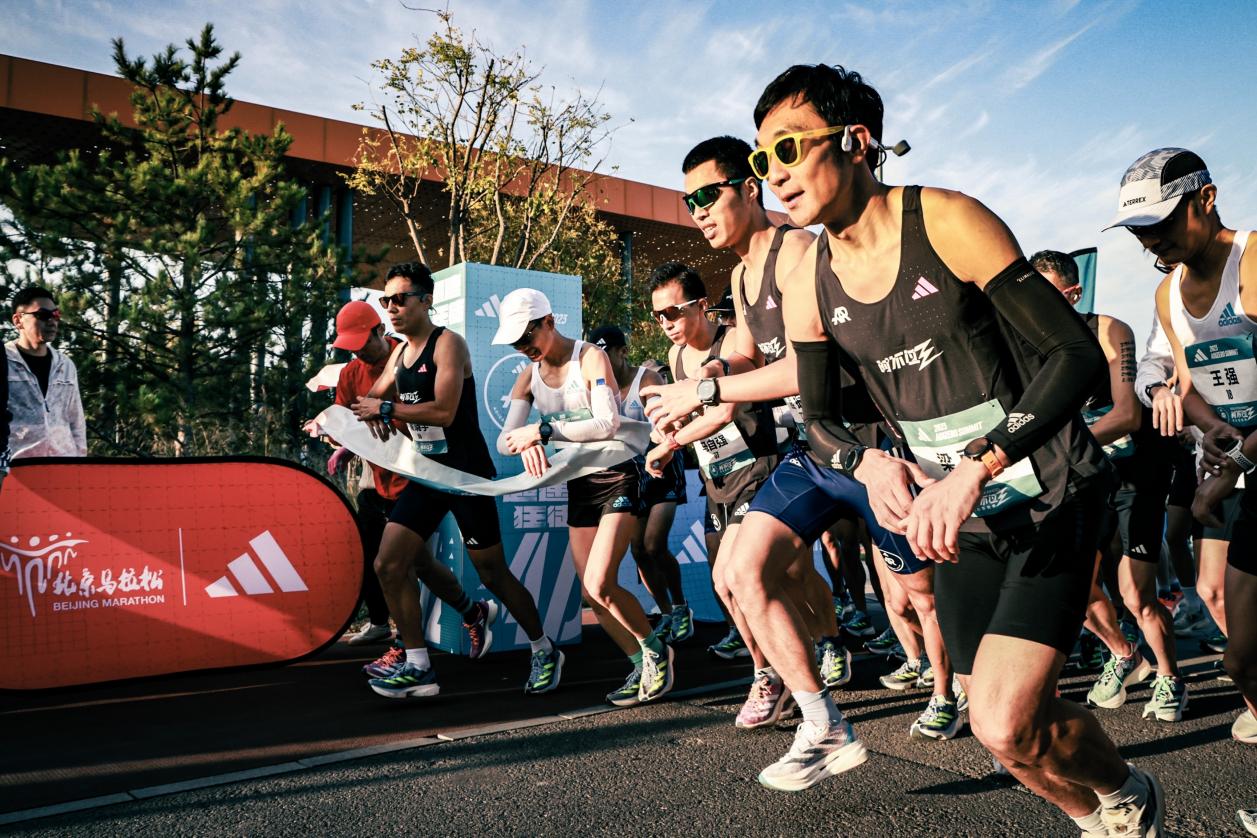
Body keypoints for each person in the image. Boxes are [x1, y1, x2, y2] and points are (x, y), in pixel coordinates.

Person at [754, 63, 1159, 834]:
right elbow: (816, 418)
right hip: (959, 520)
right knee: (994, 725)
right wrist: (863, 462)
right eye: (760, 158)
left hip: (1048, 492)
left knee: (1006, 719)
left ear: (855, 140)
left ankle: (1126, 795)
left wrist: (978, 463)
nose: (773, 174)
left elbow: (1071, 357)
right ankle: (1105, 813)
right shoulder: (808, 275)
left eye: (788, 148)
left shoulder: (945, 221)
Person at [644, 134, 955, 765]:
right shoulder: (739, 272)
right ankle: (822, 722)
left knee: (918, 593)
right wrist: (684, 414)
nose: (699, 210)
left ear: (748, 189)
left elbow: (802, 373)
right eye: (688, 201)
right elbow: (745, 360)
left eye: (708, 195)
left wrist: (705, 384)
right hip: (818, 449)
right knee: (739, 573)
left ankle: (952, 690)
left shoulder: (798, 252)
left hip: (873, 449)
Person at [350, 263, 562, 698]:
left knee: (494, 574)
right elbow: (370, 401)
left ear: (426, 300)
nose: (391, 308)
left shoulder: (449, 344)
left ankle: (544, 649)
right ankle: (419, 665)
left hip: (466, 477)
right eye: (385, 300)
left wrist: (387, 411)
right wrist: (333, 421)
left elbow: (443, 412)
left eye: (400, 299)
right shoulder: (398, 353)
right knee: (389, 564)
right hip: (427, 476)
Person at [1105, 148, 1255, 753]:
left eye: (1163, 223)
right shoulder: (1169, 295)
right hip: (1239, 467)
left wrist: (1240, 460)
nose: (1151, 241)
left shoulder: (1251, 262)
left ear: (1206, 199)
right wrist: (1207, 423)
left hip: (1245, 467)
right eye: (1140, 231)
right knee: (1243, 661)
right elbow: (1183, 377)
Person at [494, 289, 675, 706]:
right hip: (579, 484)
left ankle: (655, 650)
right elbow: (505, 440)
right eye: (516, 343)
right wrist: (524, 442)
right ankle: (638, 663)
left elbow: (608, 422)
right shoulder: (529, 375)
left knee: (601, 581)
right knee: (591, 593)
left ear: (549, 322)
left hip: (619, 476)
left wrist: (542, 432)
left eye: (528, 337)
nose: (524, 349)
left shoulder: (591, 356)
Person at [1033, 250, 1187, 721]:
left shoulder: (1107, 330)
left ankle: (1169, 678)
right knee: (1072, 587)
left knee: (1136, 596)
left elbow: (1125, 414)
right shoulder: (1027, 343)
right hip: (1080, 479)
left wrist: (1048, 447)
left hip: (1132, 477)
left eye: (1045, 295)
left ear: (1073, 294)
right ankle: (1125, 655)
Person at [590, 324, 694, 644]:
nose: (603, 362)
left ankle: (680, 609)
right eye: (598, 357)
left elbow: (664, 427)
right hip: (631, 476)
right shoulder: (597, 387)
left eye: (608, 354)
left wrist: (658, 441)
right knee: (638, 551)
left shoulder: (646, 380)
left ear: (622, 352)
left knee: (652, 544)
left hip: (663, 468)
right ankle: (665, 613)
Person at [322, 300, 408, 647]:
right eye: (351, 348)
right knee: (371, 554)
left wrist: (384, 415)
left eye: (363, 344)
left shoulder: (407, 357)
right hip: (374, 478)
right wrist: (336, 441)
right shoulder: (349, 373)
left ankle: (414, 630)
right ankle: (378, 622)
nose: (358, 354)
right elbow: (344, 424)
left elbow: (429, 414)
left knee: (409, 561)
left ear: (379, 331)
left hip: (415, 475)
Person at [6, 286, 86, 459]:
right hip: (17, 470)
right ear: (18, 320)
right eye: (42, 315)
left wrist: (80, 464)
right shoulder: (5, 362)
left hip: (63, 467)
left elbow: (76, 421)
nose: (52, 321)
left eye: (55, 315)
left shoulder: (66, 365)